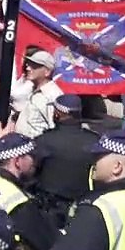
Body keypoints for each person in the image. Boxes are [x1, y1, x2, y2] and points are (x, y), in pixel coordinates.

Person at [0, 133, 59, 250]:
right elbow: (46, 243)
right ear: (17, 161)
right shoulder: (16, 200)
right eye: (33, 158)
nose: (36, 164)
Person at [33, 94, 100, 225]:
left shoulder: (45, 140)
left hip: (50, 210)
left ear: (57, 114)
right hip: (85, 208)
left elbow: (32, 171)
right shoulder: (95, 140)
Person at [11, 49, 62, 138]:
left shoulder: (52, 95)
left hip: (37, 148)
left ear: (47, 72)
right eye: (28, 64)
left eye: (34, 66)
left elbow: (54, 128)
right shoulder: (32, 90)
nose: (28, 68)